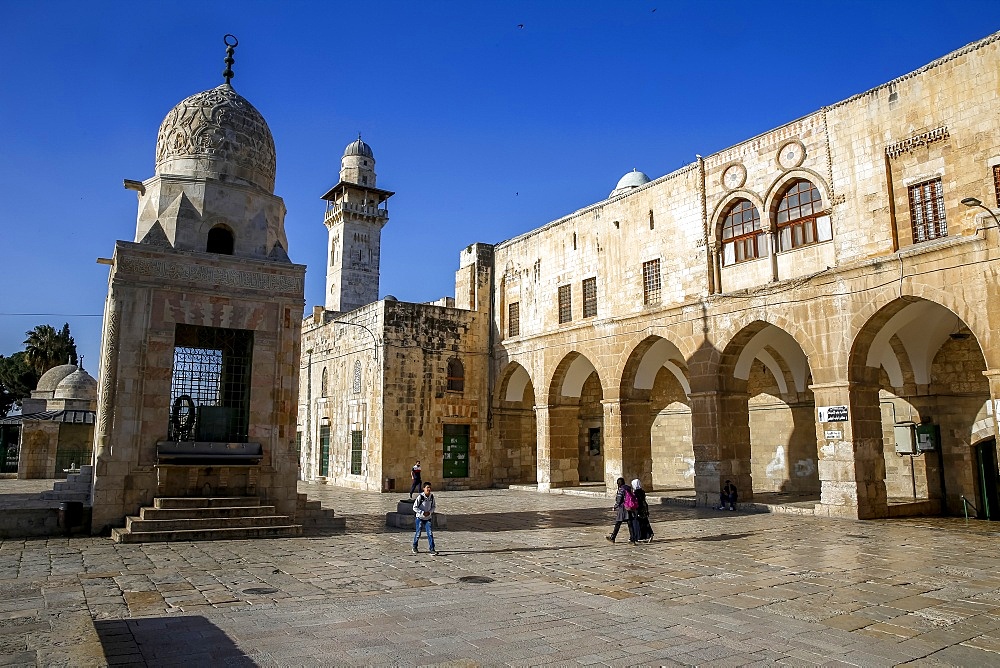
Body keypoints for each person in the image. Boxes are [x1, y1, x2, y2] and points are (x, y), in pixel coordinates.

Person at [606, 477, 638, 545]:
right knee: (630, 524)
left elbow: (619, 500)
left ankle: (613, 537)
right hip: (629, 508)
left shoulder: (621, 490)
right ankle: (633, 539)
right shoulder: (628, 488)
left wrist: (615, 506)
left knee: (618, 523)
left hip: (623, 509)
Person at [412, 481, 437, 555]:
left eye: (430, 487)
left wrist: (429, 512)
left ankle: (432, 549)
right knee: (418, 533)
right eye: (427, 487)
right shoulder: (420, 497)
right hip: (420, 518)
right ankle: (415, 546)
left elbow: (433, 506)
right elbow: (414, 507)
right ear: (424, 489)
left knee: (429, 533)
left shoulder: (431, 497)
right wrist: (422, 513)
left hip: (428, 518)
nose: (429, 489)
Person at [631, 478, 654, 543]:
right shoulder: (642, 491)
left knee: (638, 523)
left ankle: (638, 536)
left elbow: (636, 502)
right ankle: (649, 534)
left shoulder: (635, 493)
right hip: (644, 509)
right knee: (645, 521)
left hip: (638, 509)